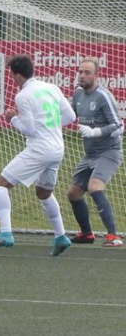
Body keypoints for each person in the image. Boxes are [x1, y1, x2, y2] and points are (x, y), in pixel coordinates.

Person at [0, 55, 76, 256]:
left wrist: (12, 118)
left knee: (0, 184)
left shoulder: (22, 96)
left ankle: (6, 233)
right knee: (44, 193)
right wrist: (49, 128)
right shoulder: (51, 87)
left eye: (12, 75)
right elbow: (71, 117)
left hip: (40, 149)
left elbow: (30, 130)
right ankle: (61, 236)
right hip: (57, 149)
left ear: (16, 75)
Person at [68, 58, 123, 247]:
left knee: (95, 186)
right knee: (73, 193)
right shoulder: (77, 95)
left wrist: (95, 132)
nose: (82, 75)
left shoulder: (103, 96)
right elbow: (68, 115)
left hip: (109, 151)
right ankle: (86, 234)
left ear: (96, 76)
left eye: (87, 72)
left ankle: (113, 236)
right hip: (89, 154)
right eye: (80, 71)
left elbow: (119, 125)